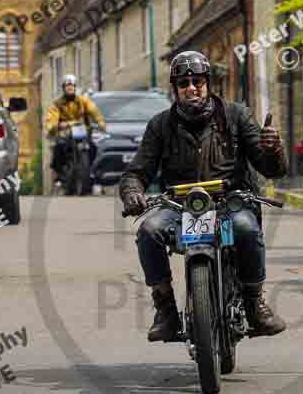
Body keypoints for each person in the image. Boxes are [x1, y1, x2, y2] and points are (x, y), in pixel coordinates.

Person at [119, 50, 288, 342]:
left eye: (197, 81)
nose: (191, 87)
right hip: (180, 206)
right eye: (183, 83)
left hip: (229, 203)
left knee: (246, 228)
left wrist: (273, 148)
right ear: (175, 89)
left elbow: (270, 169)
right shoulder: (160, 125)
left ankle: (254, 304)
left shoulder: (236, 115)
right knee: (148, 231)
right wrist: (133, 191)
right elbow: (137, 171)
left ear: (208, 83)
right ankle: (166, 310)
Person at [45, 74, 106, 185]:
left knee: (94, 146)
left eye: (72, 86)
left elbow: (94, 111)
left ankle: (90, 169)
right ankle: (59, 174)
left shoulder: (83, 101)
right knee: (58, 148)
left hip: (83, 131)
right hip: (65, 131)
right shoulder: (57, 104)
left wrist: (100, 123)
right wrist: (53, 126)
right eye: (67, 87)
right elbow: (52, 117)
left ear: (75, 88)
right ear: (63, 88)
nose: (70, 89)